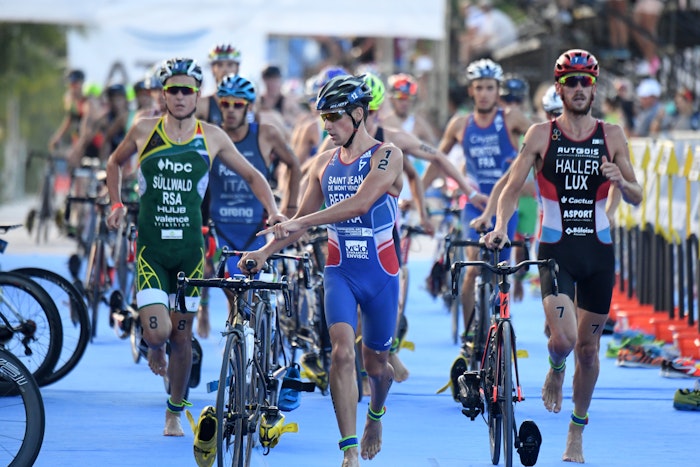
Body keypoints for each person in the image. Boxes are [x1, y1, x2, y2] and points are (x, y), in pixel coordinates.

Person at [104, 57, 286, 437]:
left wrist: (273, 212)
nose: (180, 96)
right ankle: (154, 347)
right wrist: (116, 203)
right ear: (163, 94)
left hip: (189, 253)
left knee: (182, 338)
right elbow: (114, 163)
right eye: (173, 90)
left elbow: (253, 175)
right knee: (159, 333)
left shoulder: (212, 136)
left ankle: (173, 411)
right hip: (152, 251)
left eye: (187, 90)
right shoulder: (144, 129)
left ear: (198, 94)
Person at [482, 49, 643, 463]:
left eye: (585, 81)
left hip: (599, 254)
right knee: (564, 340)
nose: (578, 88)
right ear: (559, 88)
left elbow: (637, 195)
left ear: (595, 88)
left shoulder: (612, 135)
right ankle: (555, 366)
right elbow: (511, 188)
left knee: (588, 351)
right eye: (571, 82)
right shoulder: (540, 134)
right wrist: (500, 227)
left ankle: (576, 430)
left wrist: (622, 181)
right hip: (556, 252)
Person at [238, 74, 403, 467]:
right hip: (340, 272)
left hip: (381, 274)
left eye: (334, 116)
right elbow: (298, 222)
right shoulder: (322, 164)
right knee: (342, 353)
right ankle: (349, 449)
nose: (326, 125)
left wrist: (301, 221)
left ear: (359, 114)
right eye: (323, 117)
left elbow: (361, 203)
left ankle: (375, 416)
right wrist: (264, 252)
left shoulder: (387, 154)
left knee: (377, 366)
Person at [426, 58, 531, 356]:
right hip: (474, 204)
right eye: (479, 88)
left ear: (498, 90)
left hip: (506, 205)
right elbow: (437, 160)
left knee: (502, 270)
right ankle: (470, 334)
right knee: (473, 267)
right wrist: (417, 192)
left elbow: (542, 143)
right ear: (471, 91)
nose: (484, 93)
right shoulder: (460, 124)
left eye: (490, 88)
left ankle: (501, 323)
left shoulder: (512, 119)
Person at [208, 73, 301, 274]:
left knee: (256, 289)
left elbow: (294, 164)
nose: (230, 110)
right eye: (225, 104)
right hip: (219, 229)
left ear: (249, 107)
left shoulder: (266, 134)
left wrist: (290, 208)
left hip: (256, 230)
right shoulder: (211, 136)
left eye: (237, 105)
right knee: (227, 286)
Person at [195, 43, 241, 125]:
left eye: (230, 65)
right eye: (220, 65)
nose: (225, 70)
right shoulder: (202, 104)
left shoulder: (251, 104)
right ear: (212, 69)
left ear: (237, 68)